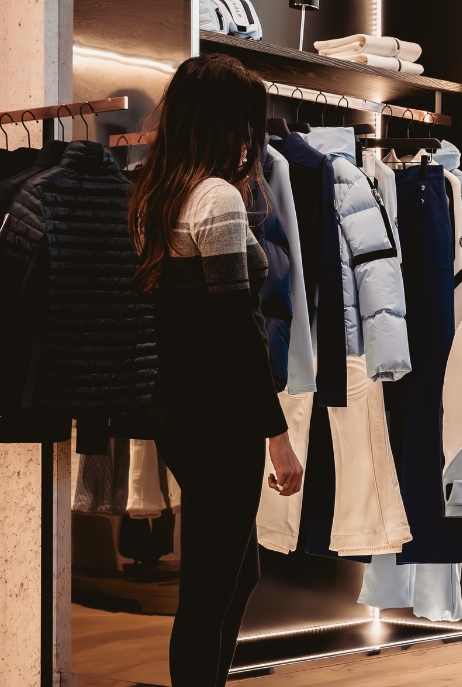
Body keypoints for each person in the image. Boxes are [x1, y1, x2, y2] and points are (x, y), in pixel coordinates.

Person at [129, 54, 304, 687]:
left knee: (234, 570)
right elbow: (238, 331)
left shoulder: (157, 193)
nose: (253, 140)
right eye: (248, 123)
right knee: (211, 586)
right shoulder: (219, 199)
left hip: (178, 407)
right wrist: (277, 436)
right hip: (221, 416)